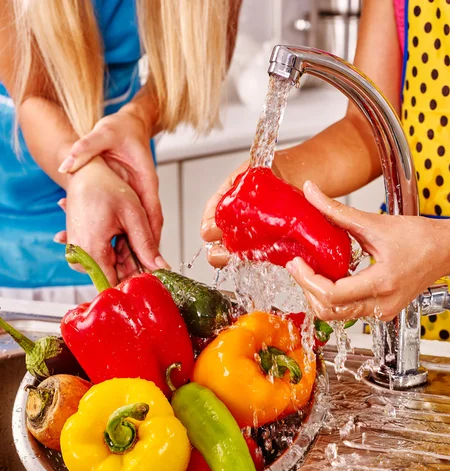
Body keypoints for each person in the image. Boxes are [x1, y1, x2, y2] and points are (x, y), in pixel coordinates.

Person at [202, 0, 450, 341]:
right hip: (410, 292)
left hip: (418, 262)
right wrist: (278, 174)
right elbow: (367, 128)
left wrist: (442, 246)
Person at [0, 0, 241, 303]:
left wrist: (139, 119)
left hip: (120, 219)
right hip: (8, 243)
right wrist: (84, 174)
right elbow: (32, 94)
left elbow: (200, 63)